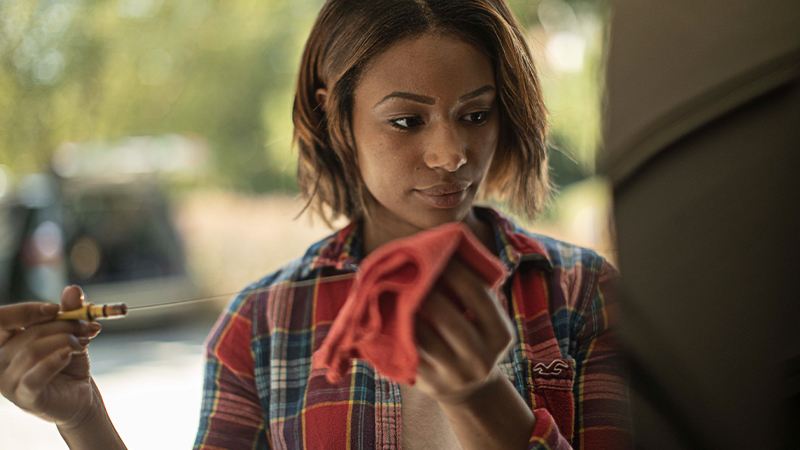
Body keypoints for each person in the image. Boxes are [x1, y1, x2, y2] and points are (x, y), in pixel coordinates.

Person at [0, 0, 632, 449]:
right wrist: (82, 419)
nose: (451, 154)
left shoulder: (581, 295)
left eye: (476, 114)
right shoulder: (259, 326)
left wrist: (477, 396)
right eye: (407, 121)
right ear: (338, 117)